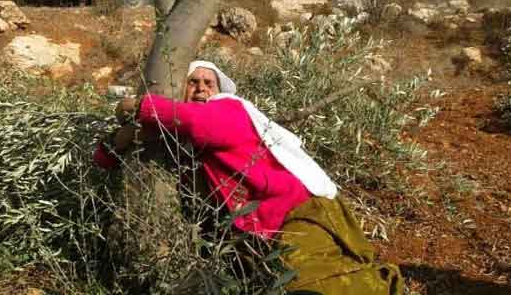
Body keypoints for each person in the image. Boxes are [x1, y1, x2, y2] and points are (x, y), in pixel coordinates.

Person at [94, 61, 404, 294]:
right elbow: (104, 161)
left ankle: (386, 284)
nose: (201, 88)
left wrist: (136, 105)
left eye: (208, 82)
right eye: (192, 82)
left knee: (308, 284)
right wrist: (124, 136)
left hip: (297, 213)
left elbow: (202, 124)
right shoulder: (179, 141)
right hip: (263, 230)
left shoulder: (229, 109)